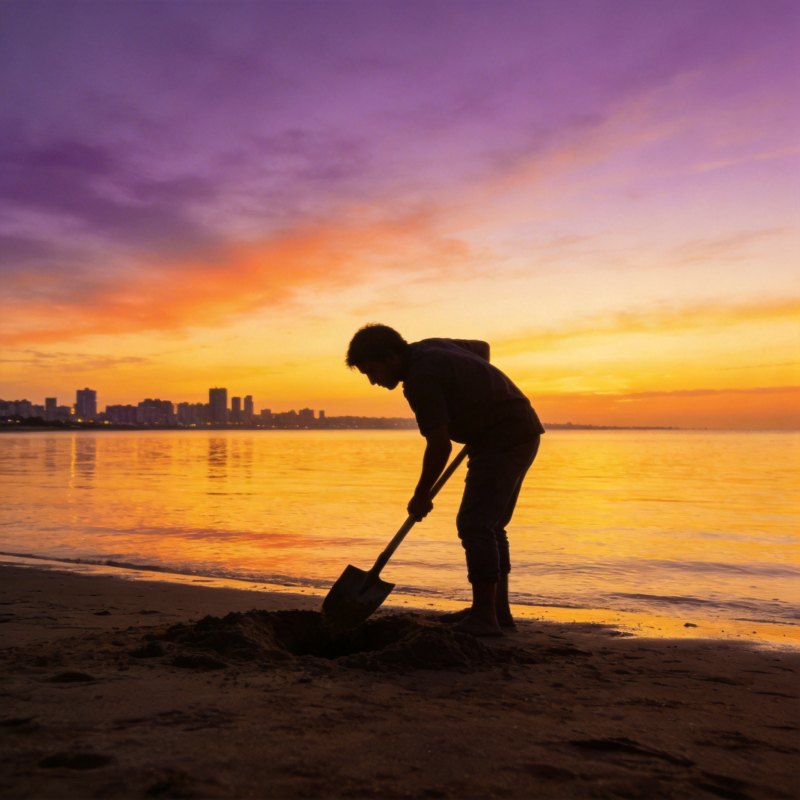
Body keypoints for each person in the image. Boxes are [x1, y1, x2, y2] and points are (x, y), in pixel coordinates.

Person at [346, 323, 544, 636]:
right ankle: (496, 610)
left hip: (504, 439)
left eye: (373, 371)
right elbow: (482, 348)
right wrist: (477, 396)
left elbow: (440, 445)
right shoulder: (431, 345)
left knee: (475, 524)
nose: (373, 381)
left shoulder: (420, 380)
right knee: (490, 525)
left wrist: (421, 494)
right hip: (519, 430)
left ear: (390, 356)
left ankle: (484, 619)